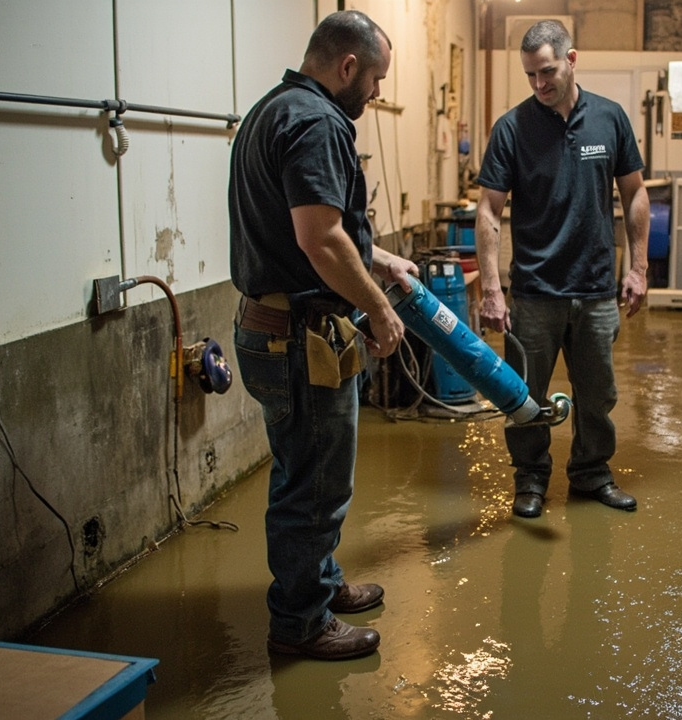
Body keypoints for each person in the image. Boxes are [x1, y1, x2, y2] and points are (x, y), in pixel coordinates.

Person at [228, 10, 417, 661]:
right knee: (312, 484)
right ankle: (300, 622)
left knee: (310, 471)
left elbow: (311, 227)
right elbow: (320, 238)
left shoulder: (272, 110)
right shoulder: (318, 123)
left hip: (270, 323)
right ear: (347, 67)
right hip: (297, 336)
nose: (376, 93)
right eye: (375, 80)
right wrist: (380, 309)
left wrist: (383, 261)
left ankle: (321, 582)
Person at [474, 19, 651, 519]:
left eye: (547, 71)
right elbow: (488, 210)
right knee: (522, 396)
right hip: (534, 292)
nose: (538, 84)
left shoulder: (610, 119)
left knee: (597, 396)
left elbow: (634, 192)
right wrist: (492, 288)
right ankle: (530, 480)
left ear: (572, 60)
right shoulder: (512, 128)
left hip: (595, 289)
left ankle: (592, 473)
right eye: (530, 75)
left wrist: (637, 268)